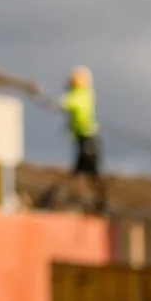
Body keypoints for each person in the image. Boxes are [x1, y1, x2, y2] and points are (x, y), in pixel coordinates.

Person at [61, 65, 106, 214]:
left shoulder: (79, 95)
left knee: (84, 172)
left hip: (87, 139)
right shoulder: (84, 95)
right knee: (85, 172)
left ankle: (92, 202)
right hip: (86, 139)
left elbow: (66, 103)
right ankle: (90, 201)